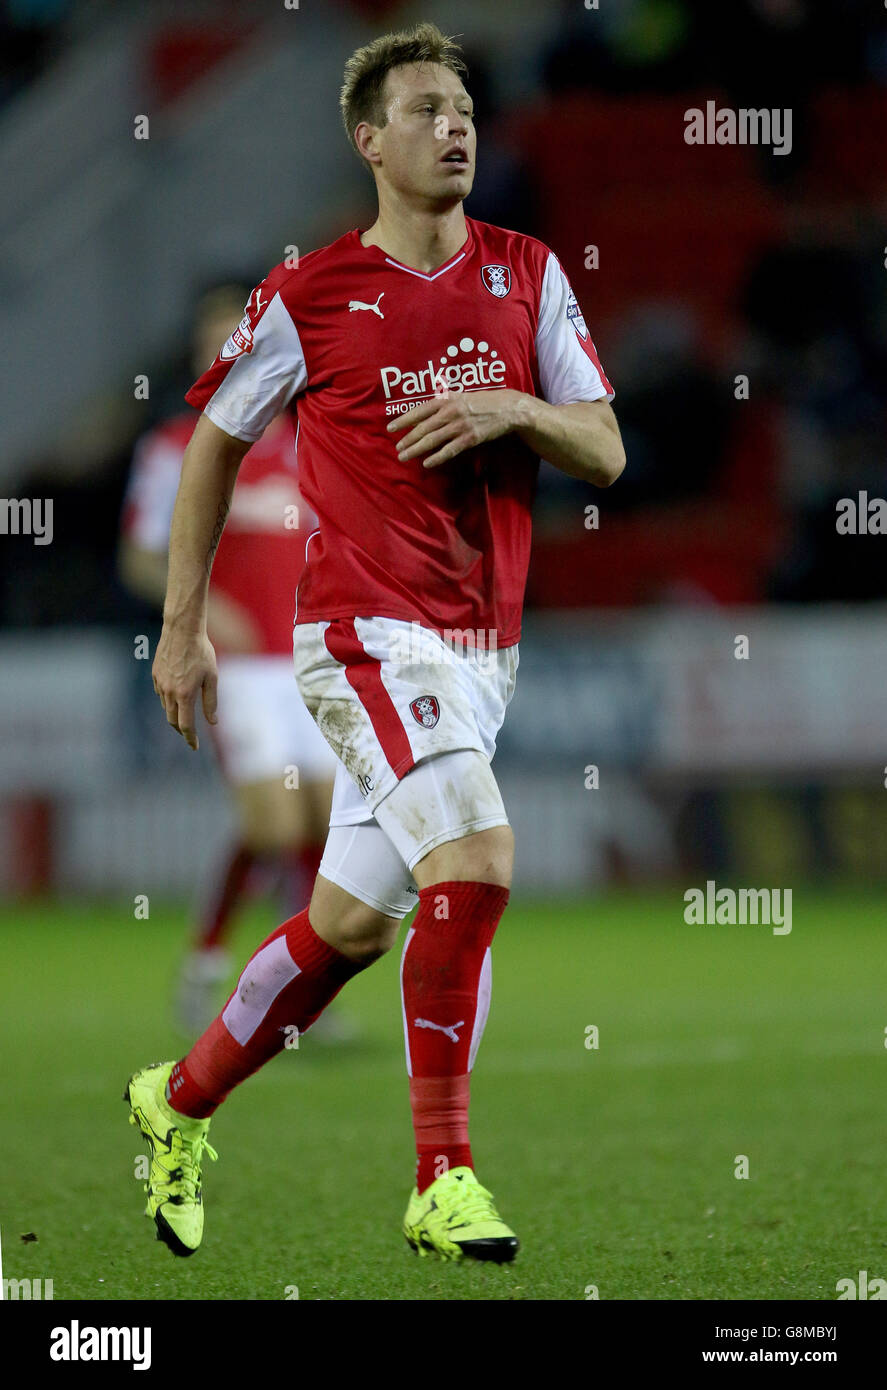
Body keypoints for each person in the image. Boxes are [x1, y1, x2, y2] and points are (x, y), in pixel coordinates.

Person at [125, 20, 624, 1265]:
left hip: (479, 650)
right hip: (359, 634)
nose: (452, 126)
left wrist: (514, 406)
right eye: (421, 109)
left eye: (460, 107)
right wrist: (181, 627)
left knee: (349, 928)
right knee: (482, 856)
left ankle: (175, 1101)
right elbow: (211, 450)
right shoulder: (311, 295)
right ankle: (440, 1176)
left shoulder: (529, 273)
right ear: (369, 141)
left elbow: (605, 448)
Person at [119, 282, 339, 1033]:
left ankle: (303, 991)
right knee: (275, 826)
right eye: (214, 336)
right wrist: (201, 616)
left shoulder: (310, 442)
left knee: (320, 824)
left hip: (310, 660)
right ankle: (209, 961)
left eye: (237, 336)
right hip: (238, 670)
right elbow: (140, 557)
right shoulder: (174, 448)